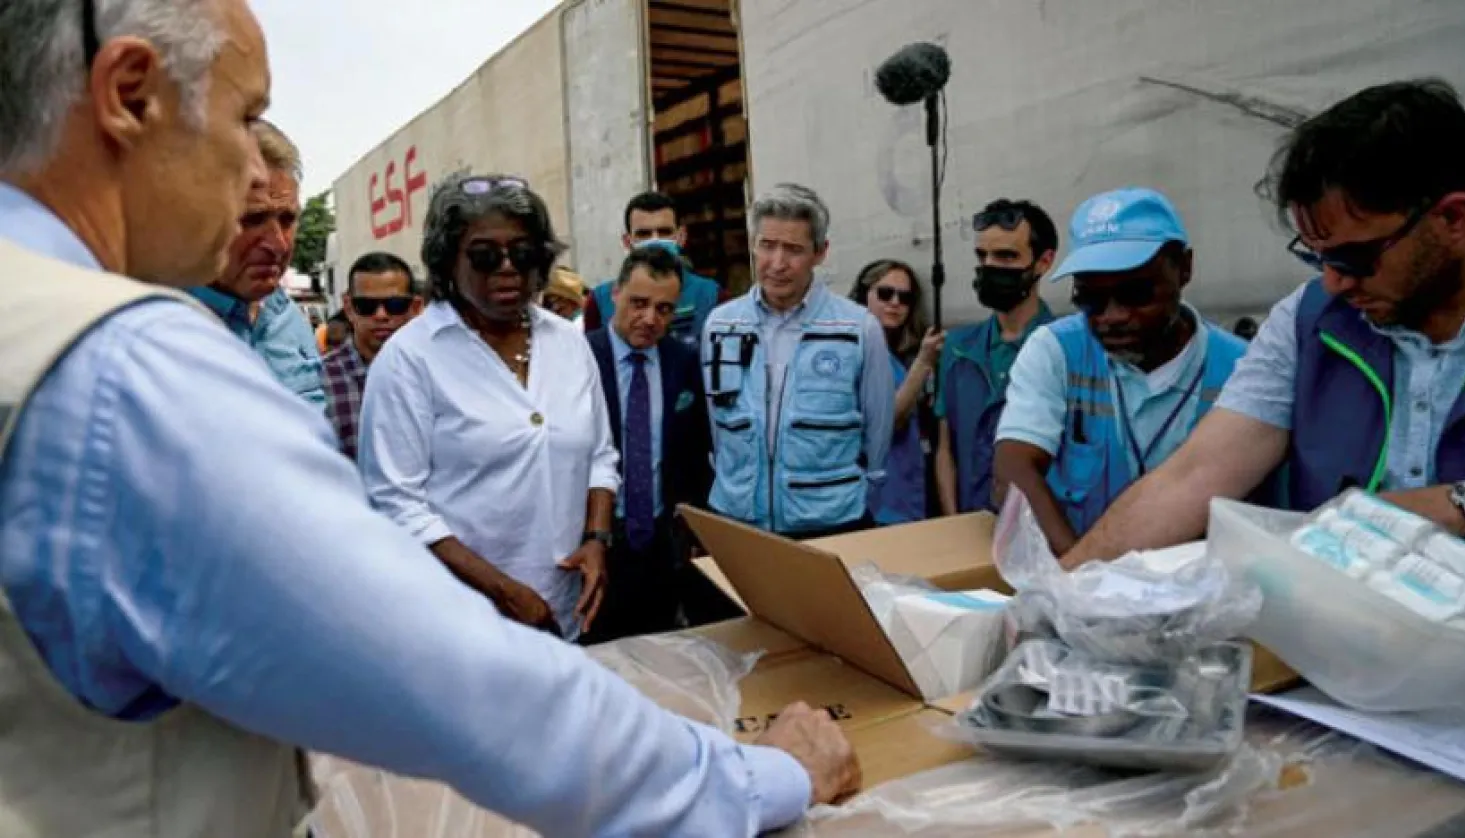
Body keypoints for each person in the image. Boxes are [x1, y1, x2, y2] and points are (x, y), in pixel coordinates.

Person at [0, 3, 857, 832]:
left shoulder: (39, 320)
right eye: (245, 116)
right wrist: (762, 775)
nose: (257, 175)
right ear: (129, 94)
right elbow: (453, 679)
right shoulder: (128, 370)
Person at [1063, 79, 1465, 569]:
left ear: (1454, 219)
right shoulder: (1310, 322)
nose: (1333, 283)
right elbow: (1191, 478)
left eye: (1355, 258)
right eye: (1317, 258)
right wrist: (1055, 593)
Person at [359, 175, 617, 641]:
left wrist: (597, 538)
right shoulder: (410, 359)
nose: (507, 268)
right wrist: (502, 591)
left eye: (522, 253)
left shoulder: (569, 345)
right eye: (483, 255)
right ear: (447, 261)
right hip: (460, 622)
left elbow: (599, 456)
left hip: (564, 610)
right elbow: (396, 504)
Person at [993, 188, 1250, 555]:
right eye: (1090, 300)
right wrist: (1081, 580)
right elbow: (1013, 473)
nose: (1112, 316)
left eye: (1136, 293)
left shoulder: (1241, 369)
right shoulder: (1057, 351)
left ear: (1184, 268)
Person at [702, 184, 895, 537]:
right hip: (738, 517)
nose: (778, 263)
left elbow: (877, 433)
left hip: (831, 523)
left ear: (820, 253)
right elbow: (716, 425)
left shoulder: (858, 328)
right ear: (752, 244)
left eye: (793, 249)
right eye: (767, 246)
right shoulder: (720, 325)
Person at [583, 246, 715, 642]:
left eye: (664, 309)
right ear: (615, 295)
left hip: (659, 546)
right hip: (592, 543)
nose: (649, 319)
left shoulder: (682, 361)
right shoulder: (579, 357)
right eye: (639, 303)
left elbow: (695, 449)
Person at [187, 119, 325, 408]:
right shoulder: (163, 330)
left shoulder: (288, 318)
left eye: (287, 220)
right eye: (253, 219)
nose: (279, 244)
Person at [934, 199, 1058, 516]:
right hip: (971, 524)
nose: (990, 265)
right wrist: (953, 521)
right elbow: (946, 448)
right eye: (982, 255)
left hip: (1042, 530)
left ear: (1043, 262)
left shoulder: (1065, 348)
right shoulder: (958, 347)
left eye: (1006, 255)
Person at [849, 259, 943, 525]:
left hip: (908, 497)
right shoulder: (857, 351)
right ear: (863, 295)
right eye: (885, 293)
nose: (895, 303)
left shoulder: (900, 355)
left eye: (904, 297)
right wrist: (924, 363)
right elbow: (887, 423)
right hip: (877, 505)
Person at [584, 191, 725, 348]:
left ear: (681, 236)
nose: (655, 240)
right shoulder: (599, 300)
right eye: (644, 234)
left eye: (664, 232)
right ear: (627, 241)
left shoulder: (712, 295)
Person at [321, 251, 424, 459]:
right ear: (349, 308)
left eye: (395, 305)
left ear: (415, 308)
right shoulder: (319, 381)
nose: (381, 315)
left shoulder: (435, 374)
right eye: (366, 306)